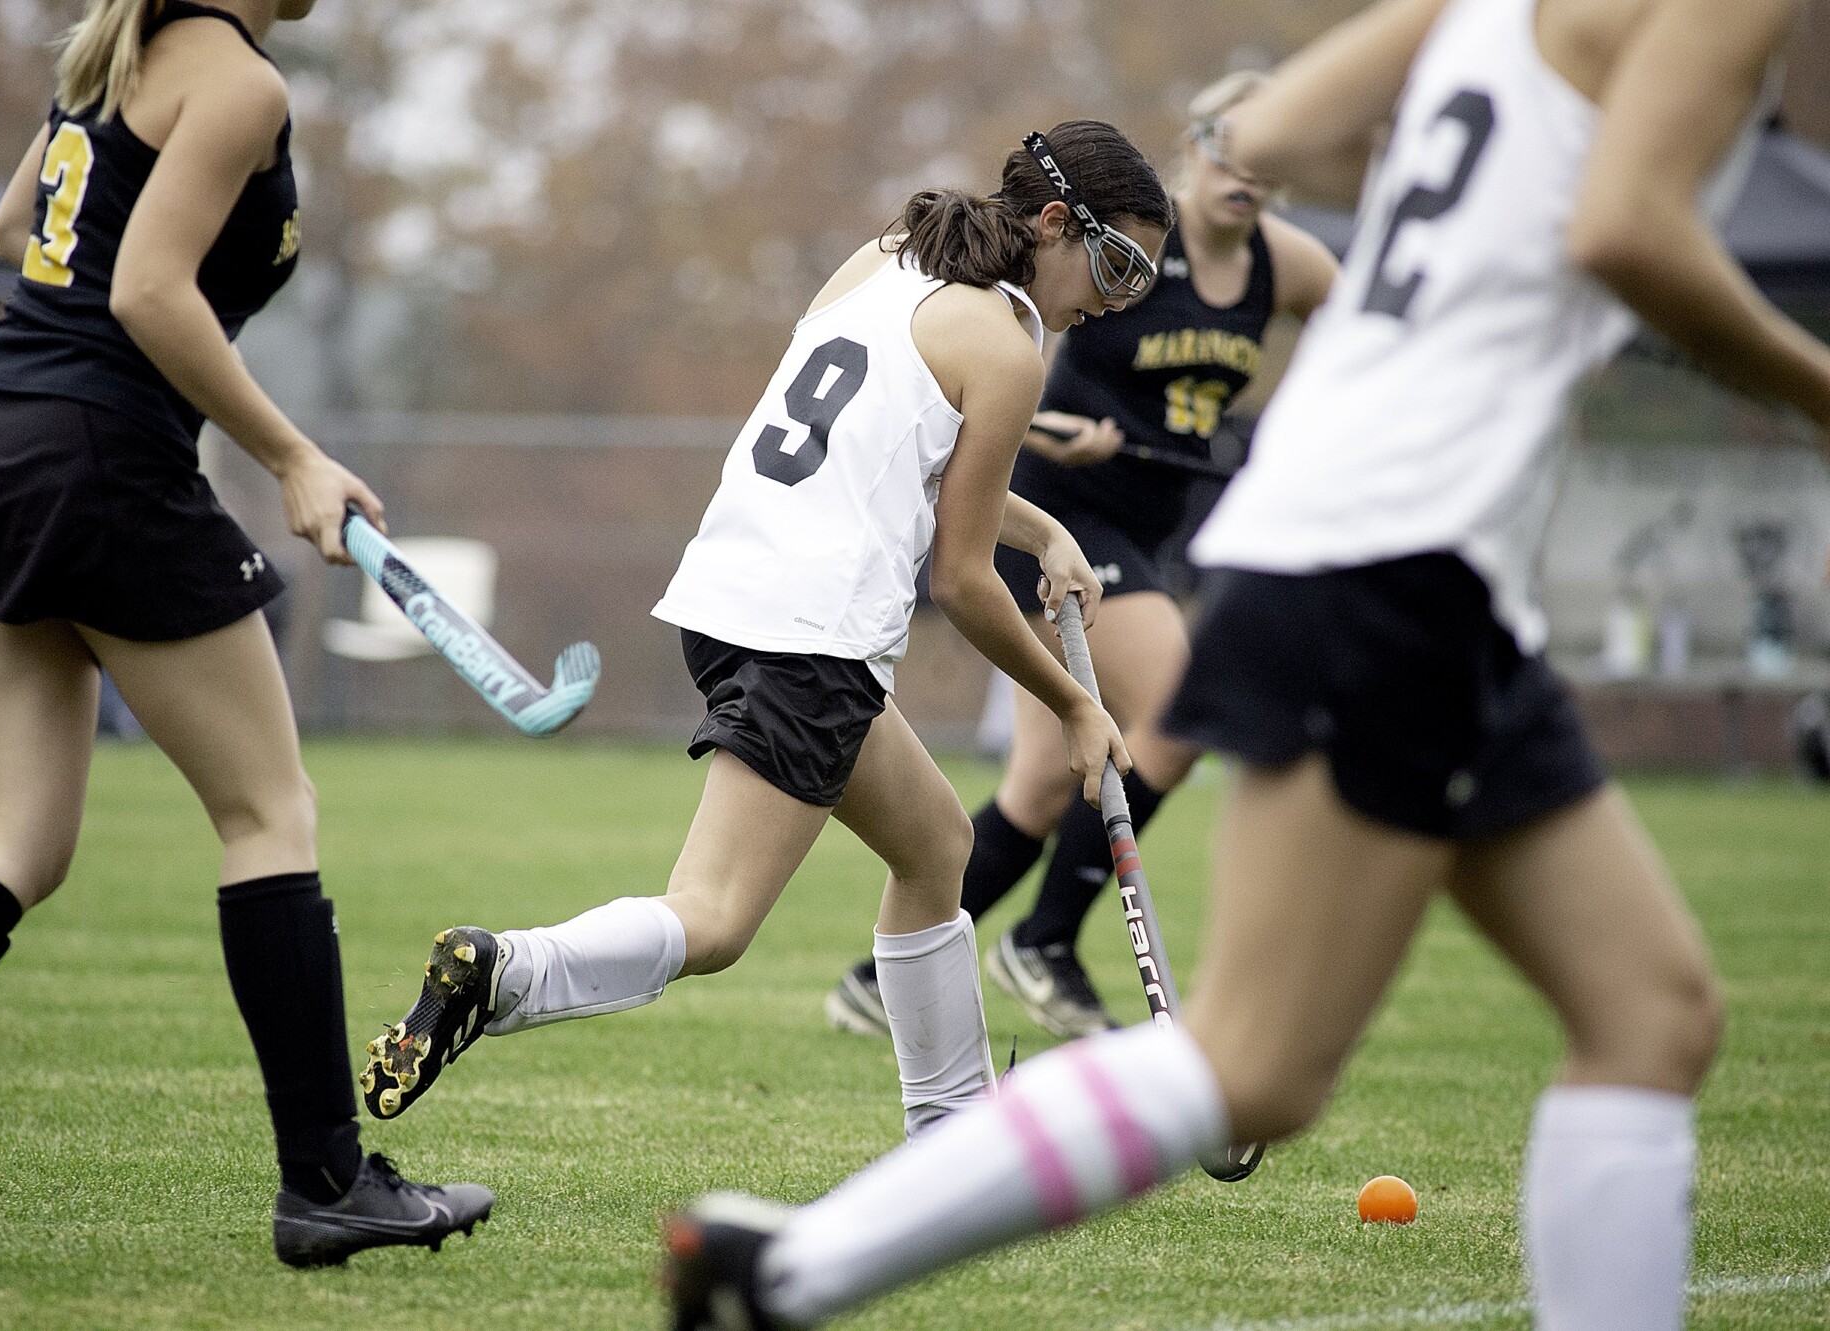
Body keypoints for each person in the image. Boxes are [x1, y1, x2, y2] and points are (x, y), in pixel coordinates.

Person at [663, 0, 1828, 1325]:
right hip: (1397, 553)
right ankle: (793, 1267)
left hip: (1403, 554)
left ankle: (800, 1249)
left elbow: (1268, 131)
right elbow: (1625, 226)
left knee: (1655, 1011)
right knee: (1258, 1061)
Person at [0, 0, 492, 1271]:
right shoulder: (238, 82)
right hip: (96, 462)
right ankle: (327, 1181)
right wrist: (294, 455)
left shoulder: (116, 56)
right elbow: (144, 288)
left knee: (15, 832)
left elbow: (16, 226)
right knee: (268, 812)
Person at [359, 123, 1167, 1145]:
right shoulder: (1006, 351)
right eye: (1116, 265)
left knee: (934, 845)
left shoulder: (892, 256)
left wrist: (1043, 526)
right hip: (814, 634)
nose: (1114, 298)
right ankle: (505, 969)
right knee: (715, 916)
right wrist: (1074, 705)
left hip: (729, 597)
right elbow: (960, 581)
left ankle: (954, 1137)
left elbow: (888, 438)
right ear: (1053, 222)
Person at [824, 73, 1338, 1041]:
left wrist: (1294, 430)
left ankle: (875, 976)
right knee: (1179, 708)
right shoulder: (1133, 236)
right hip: (1059, 521)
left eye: (1266, 159)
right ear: (1191, 146)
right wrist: (1047, 427)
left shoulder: (1285, 264)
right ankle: (1046, 940)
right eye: (1227, 147)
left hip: (1144, 533)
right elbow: (1021, 357)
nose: (1244, 174)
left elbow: (1361, 326)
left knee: (1040, 781)